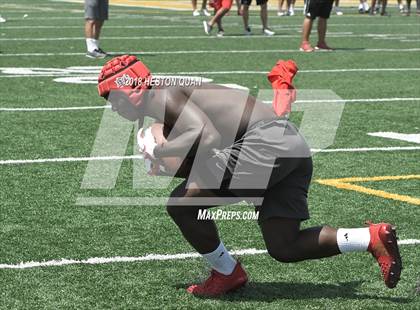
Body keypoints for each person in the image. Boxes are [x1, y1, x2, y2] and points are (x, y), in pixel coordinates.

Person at [97, 55, 402, 297]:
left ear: (131, 89)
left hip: (265, 145)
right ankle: (371, 238)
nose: (112, 108)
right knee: (284, 246)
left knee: (180, 204)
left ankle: (227, 273)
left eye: (113, 98)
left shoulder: (163, 94)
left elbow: (205, 135)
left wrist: (161, 152)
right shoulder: (168, 97)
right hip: (289, 147)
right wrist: (177, 161)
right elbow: (210, 145)